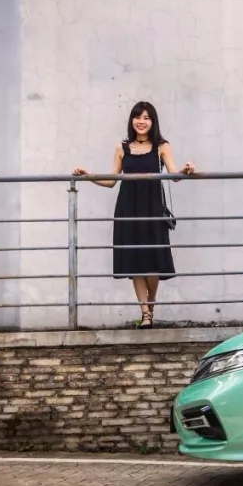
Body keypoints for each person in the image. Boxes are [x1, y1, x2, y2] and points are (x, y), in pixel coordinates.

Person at [73, 101, 195, 328]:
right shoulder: (122, 148)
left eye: (146, 118)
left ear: (153, 121)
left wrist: (186, 171)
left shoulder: (161, 146)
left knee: (153, 262)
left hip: (153, 209)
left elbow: (174, 175)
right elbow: (111, 181)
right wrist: (88, 175)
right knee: (135, 263)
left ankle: (151, 303)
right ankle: (146, 313)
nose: (141, 121)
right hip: (128, 209)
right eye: (138, 117)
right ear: (131, 120)